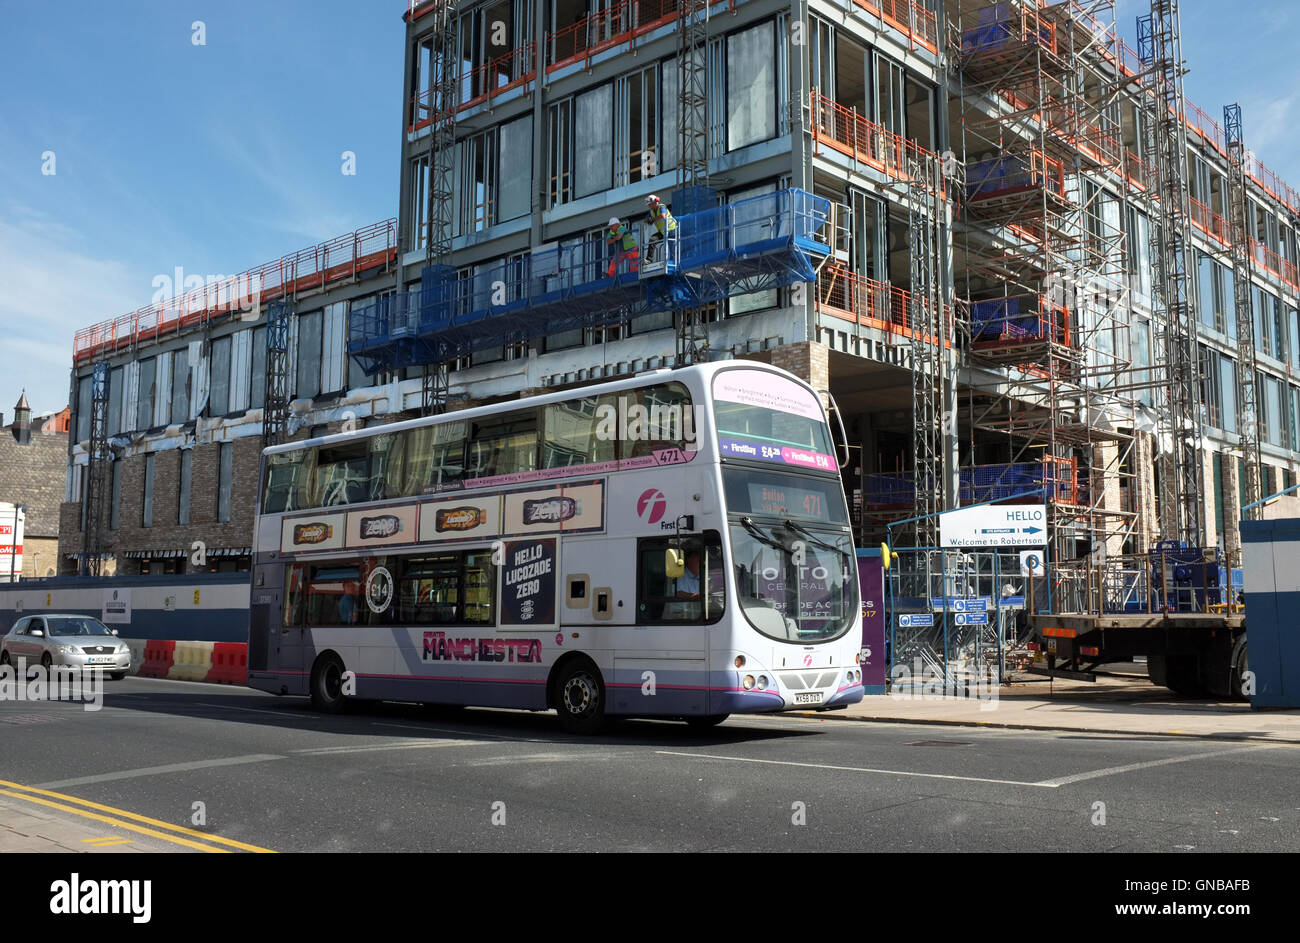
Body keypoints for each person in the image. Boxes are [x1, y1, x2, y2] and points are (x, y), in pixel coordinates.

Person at [643, 194, 677, 264]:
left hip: (671, 229)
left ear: (655, 202)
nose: (649, 206)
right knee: (652, 239)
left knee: (671, 245)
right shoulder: (651, 211)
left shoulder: (661, 207)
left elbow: (663, 215)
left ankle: (673, 261)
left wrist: (652, 219)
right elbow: (645, 220)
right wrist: (648, 220)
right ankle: (649, 260)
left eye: (650, 204)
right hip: (663, 231)